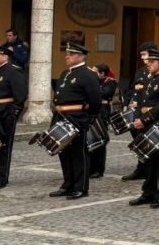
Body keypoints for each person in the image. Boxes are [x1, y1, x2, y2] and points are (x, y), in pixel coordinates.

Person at [49, 41, 102, 200]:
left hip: (77, 118)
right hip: (61, 117)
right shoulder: (66, 73)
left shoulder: (88, 74)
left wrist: (89, 117)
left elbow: (95, 100)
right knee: (63, 152)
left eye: (71, 54)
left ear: (80, 56)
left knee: (79, 154)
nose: (67, 56)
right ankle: (68, 184)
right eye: (68, 53)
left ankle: (80, 187)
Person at [129, 48, 159, 209]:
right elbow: (141, 101)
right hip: (144, 123)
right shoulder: (150, 79)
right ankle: (148, 192)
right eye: (148, 62)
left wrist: (145, 119)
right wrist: (137, 117)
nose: (148, 64)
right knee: (147, 160)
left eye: (152, 62)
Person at [0, 44, 27, 190]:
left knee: (4, 146)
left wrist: (13, 114)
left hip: (5, 113)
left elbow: (20, 96)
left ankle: (3, 178)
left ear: (5, 56)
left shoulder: (13, 72)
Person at [120, 42, 156, 182]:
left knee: (149, 142)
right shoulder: (140, 72)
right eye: (141, 55)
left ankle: (150, 171)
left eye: (145, 54)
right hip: (136, 113)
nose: (143, 58)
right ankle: (141, 169)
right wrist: (128, 102)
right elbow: (131, 89)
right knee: (138, 141)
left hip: (149, 114)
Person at [89, 63, 118, 178]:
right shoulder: (94, 82)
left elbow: (103, 93)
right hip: (92, 112)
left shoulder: (110, 82)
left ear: (102, 73)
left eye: (95, 71)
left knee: (100, 142)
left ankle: (99, 169)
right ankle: (91, 168)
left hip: (102, 113)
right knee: (91, 141)